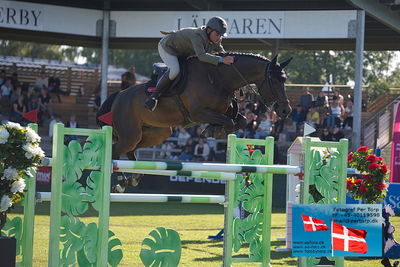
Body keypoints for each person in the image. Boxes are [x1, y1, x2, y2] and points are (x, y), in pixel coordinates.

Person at [144, 16, 234, 111]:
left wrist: (230, 59)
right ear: (208, 30)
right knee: (175, 70)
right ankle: (154, 97)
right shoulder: (197, 36)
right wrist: (221, 60)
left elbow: (221, 52)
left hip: (183, 53)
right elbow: (202, 56)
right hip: (168, 48)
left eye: (221, 35)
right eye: (217, 34)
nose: (219, 37)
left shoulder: (216, 38)